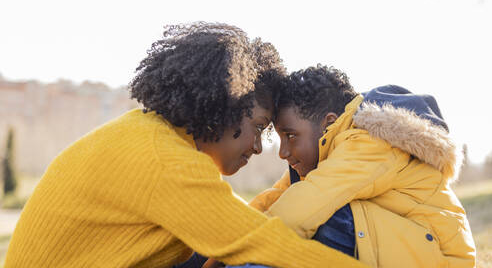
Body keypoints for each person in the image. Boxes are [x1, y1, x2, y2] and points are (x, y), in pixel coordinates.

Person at [4, 25, 365, 268]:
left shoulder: (151, 136)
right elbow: (256, 238)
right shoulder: (164, 159)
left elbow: (231, 221)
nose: (258, 147)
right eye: (256, 127)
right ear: (223, 108)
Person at [248, 65, 476, 267]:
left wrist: (241, 249)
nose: (283, 152)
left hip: (440, 257)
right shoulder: (324, 159)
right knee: (303, 211)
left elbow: (303, 206)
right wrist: (228, 236)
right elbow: (277, 198)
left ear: (328, 123)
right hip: (404, 246)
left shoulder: (370, 142)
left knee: (324, 216)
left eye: (291, 136)